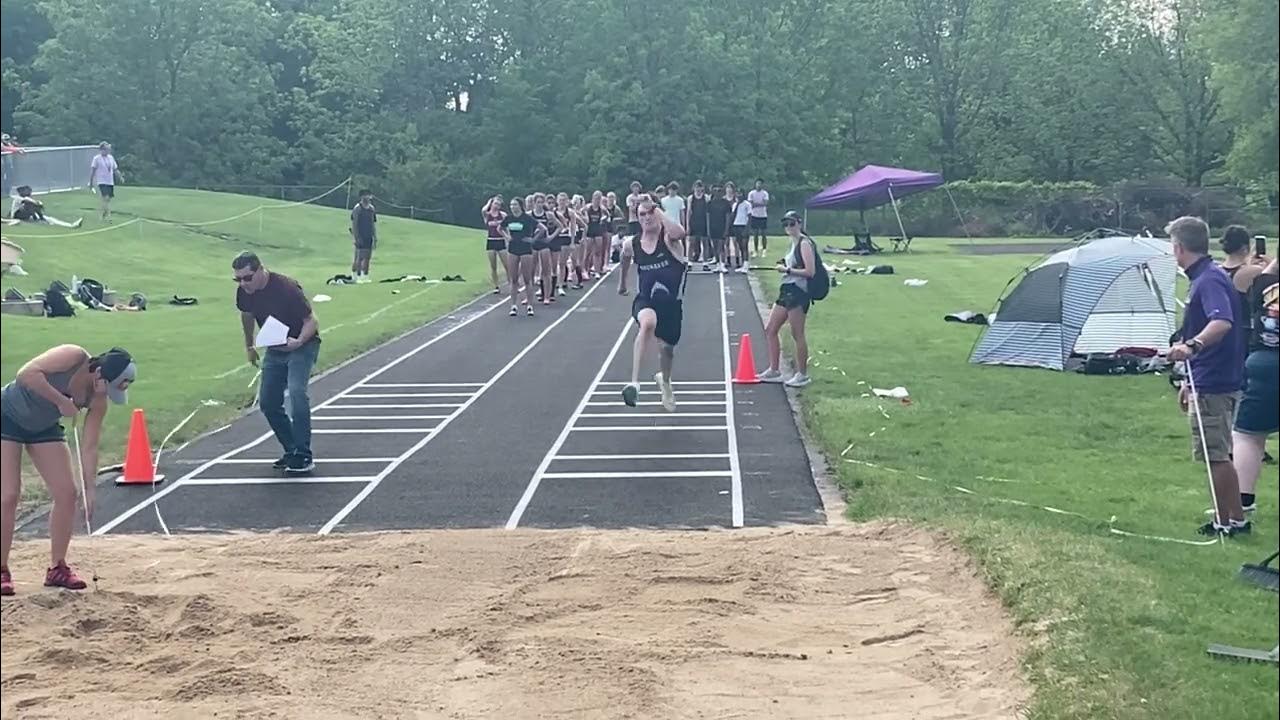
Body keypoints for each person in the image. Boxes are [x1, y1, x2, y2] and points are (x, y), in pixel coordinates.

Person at [2, 346, 136, 596]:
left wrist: (91, 489)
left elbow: (89, 446)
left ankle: (57, 568)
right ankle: (1, 569)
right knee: (8, 495)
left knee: (67, 494)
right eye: (110, 387)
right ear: (98, 374)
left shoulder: (98, 398)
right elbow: (26, 374)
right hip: (7, 416)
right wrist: (61, 401)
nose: (107, 394)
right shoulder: (73, 356)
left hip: (43, 427)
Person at [1165, 216, 1247, 537]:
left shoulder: (1208, 280)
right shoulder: (1206, 276)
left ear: (1179, 248)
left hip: (1215, 380)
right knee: (1220, 452)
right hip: (1207, 376)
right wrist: (1188, 379)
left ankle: (1224, 522)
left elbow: (1221, 321)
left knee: (1215, 455)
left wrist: (1191, 346)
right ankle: (1236, 518)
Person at [234, 252, 322, 475]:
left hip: (302, 344)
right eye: (238, 279)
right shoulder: (244, 293)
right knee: (268, 402)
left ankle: (303, 454)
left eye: (247, 277)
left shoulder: (287, 288)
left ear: (261, 270)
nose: (243, 283)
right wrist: (249, 345)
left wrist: (298, 341)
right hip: (275, 347)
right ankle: (291, 449)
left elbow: (311, 320)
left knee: (296, 392)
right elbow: (247, 314)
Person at [617, 199, 689, 411]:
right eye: (642, 214)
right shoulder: (633, 243)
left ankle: (665, 382)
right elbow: (624, 258)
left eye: (650, 213)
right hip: (646, 299)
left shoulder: (668, 239)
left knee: (667, 350)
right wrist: (622, 283)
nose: (646, 218)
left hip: (671, 305)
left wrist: (658, 210)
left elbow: (680, 232)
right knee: (647, 323)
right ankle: (634, 383)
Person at [1231, 256, 1277, 515]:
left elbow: (1260, 278)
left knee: (1248, 436)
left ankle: (1242, 501)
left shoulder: (1264, 284)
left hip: (1266, 363)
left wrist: (1271, 264)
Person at [757, 211, 816, 388]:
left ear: (799, 223)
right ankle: (774, 370)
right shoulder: (794, 243)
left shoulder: (805, 243)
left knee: (797, 334)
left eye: (791, 224)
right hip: (787, 289)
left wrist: (787, 270)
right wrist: (784, 264)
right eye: (786, 224)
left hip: (798, 292)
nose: (788, 228)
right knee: (771, 329)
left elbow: (810, 272)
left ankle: (802, 374)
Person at [502, 197, 537, 316]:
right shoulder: (509, 218)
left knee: (527, 279)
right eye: (511, 205)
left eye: (515, 205)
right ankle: (513, 305)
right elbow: (500, 228)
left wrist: (533, 240)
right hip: (513, 249)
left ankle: (530, 306)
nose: (512, 207)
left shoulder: (527, 218)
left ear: (520, 206)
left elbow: (542, 228)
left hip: (525, 249)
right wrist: (507, 237)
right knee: (514, 279)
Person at [8, 185, 82, 228]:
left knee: (50, 219)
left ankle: (71, 225)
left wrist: (38, 204)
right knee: (32, 204)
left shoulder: (26, 199)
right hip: (17, 216)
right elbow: (27, 201)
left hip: (25, 215)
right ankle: (41, 218)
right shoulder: (18, 198)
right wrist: (37, 203)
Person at [88, 142, 123, 222]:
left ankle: (103, 215)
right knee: (105, 198)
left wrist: (120, 177)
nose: (108, 151)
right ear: (102, 150)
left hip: (110, 181)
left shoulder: (111, 158)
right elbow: (93, 170)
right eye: (107, 149)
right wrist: (91, 182)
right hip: (102, 181)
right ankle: (108, 216)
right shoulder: (97, 158)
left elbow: (115, 169)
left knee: (107, 200)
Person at [482, 196, 509, 294]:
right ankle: (496, 286)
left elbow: (506, 228)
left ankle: (512, 284)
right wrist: (489, 202)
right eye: (495, 204)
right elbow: (483, 210)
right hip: (491, 241)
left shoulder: (503, 215)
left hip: (500, 240)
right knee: (493, 266)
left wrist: (508, 238)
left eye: (499, 204)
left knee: (507, 265)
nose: (497, 206)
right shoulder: (487, 215)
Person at [350, 189, 378, 284]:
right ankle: (355, 276)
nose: (368, 198)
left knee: (367, 257)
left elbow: (373, 224)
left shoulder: (371, 209)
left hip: (368, 235)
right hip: (360, 235)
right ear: (362, 197)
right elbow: (354, 223)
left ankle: (365, 276)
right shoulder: (358, 208)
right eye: (365, 196)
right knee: (359, 257)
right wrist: (356, 236)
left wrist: (375, 237)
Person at [707, 184, 733, 274]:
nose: (717, 193)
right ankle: (718, 264)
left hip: (722, 227)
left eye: (719, 191)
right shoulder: (710, 203)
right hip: (713, 227)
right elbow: (708, 216)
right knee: (714, 247)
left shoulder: (725, 203)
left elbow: (728, 217)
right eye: (716, 191)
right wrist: (708, 229)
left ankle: (723, 264)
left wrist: (726, 229)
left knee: (721, 247)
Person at [731, 188, 752, 272]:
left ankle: (746, 264)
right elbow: (733, 215)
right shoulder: (735, 204)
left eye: (741, 193)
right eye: (737, 193)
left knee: (744, 246)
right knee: (740, 246)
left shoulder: (747, 204)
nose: (739, 195)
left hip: (743, 225)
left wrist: (747, 228)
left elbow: (750, 217)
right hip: (736, 225)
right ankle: (743, 264)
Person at [748, 178, 770, 257]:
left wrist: (756, 204)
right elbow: (750, 204)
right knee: (755, 234)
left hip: (763, 215)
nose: (758, 185)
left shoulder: (765, 193)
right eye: (757, 183)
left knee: (763, 233)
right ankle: (755, 250)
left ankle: (764, 250)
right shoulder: (751, 193)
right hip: (754, 215)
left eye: (760, 184)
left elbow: (765, 203)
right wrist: (759, 204)